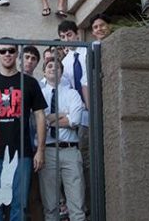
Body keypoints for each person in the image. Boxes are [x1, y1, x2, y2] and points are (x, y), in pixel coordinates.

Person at [0, 41, 47, 221]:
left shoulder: (30, 83)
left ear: (17, 54)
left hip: (22, 152)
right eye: (3, 51)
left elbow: (40, 116)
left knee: (19, 203)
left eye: (11, 50)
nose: (7, 54)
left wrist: (40, 150)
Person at [38, 57, 86, 221]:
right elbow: (40, 123)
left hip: (70, 152)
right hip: (48, 152)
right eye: (49, 66)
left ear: (61, 72)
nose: (53, 68)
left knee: (77, 205)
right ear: (44, 71)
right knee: (50, 207)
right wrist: (63, 114)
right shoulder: (39, 94)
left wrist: (50, 118)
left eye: (57, 66)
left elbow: (75, 121)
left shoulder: (72, 94)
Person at [57, 20, 90, 215]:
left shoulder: (89, 52)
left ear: (77, 33)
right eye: (62, 37)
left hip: (93, 112)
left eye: (69, 35)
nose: (66, 39)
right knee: (79, 163)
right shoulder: (66, 61)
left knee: (89, 160)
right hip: (77, 117)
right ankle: (78, 207)